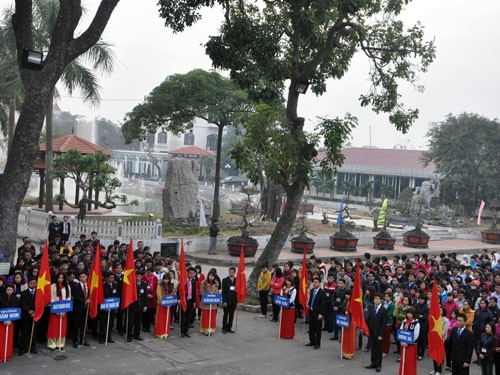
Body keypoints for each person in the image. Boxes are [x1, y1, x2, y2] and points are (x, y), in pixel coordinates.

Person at [47, 273, 71, 351]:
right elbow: (51, 298)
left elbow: (68, 298)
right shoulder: (52, 286)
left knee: (62, 327)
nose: (60, 279)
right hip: (55, 310)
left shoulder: (67, 286)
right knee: (53, 327)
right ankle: (52, 344)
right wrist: (56, 310)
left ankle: (60, 343)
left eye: (62, 278)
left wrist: (64, 310)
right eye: (59, 277)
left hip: (64, 309)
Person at [366, 293, 388, 373]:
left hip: (379, 333)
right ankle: (373, 363)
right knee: (373, 349)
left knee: (379, 350)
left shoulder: (383, 310)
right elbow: (369, 318)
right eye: (375, 298)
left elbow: (383, 324)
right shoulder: (371, 307)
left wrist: (381, 335)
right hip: (372, 331)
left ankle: (378, 365)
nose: (375, 300)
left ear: (381, 300)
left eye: (377, 299)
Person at [398, 306, 420, 375]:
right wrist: (401, 341)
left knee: (409, 361)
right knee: (403, 360)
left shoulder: (416, 323)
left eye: (411, 313)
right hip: (403, 344)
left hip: (411, 346)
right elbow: (401, 331)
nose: (409, 315)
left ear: (414, 314)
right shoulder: (404, 321)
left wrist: (408, 343)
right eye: (408, 313)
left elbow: (416, 335)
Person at [19, 277, 38, 356]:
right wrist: (29, 311)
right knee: (24, 332)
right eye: (31, 283)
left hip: (35, 315)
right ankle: (23, 348)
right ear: (28, 284)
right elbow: (23, 303)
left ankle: (33, 347)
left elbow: (39, 303)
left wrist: (36, 311)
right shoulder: (24, 293)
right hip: (26, 315)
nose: (33, 285)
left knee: (33, 332)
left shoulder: (38, 293)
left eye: (34, 283)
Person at [70, 272, 90, 348]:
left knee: (84, 324)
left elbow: (90, 294)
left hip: (86, 308)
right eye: (81, 277)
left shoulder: (88, 286)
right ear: (79, 278)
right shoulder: (76, 286)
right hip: (78, 308)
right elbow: (77, 297)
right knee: (76, 325)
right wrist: (85, 301)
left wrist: (89, 299)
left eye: (84, 276)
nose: (83, 278)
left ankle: (83, 339)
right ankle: (75, 340)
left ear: (86, 277)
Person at [306, 277, 326, 349]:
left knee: (318, 329)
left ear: (320, 283)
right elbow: (311, 299)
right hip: (311, 311)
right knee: (311, 328)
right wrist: (308, 304)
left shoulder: (322, 293)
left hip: (318, 313)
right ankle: (312, 341)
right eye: (313, 282)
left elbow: (323, 304)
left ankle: (317, 343)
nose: (314, 283)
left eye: (316, 282)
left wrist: (321, 314)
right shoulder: (312, 290)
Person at [0, 284, 19, 361]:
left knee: (9, 339)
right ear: (5, 290)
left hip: (11, 322)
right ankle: (1, 355)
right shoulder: (0, 297)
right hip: (2, 322)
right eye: (8, 290)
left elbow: (16, 311)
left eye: (11, 290)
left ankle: (8, 354)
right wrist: (3, 320)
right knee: (1, 339)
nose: (9, 292)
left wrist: (11, 320)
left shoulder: (15, 298)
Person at [128, 271, 148, 342]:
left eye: (139, 276)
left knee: (138, 322)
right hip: (133, 306)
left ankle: (137, 334)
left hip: (140, 305)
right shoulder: (132, 284)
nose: (138, 278)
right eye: (137, 276)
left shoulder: (144, 284)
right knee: (131, 322)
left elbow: (145, 296)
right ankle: (129, 335)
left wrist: (145, 305)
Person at [99, 271, 118, 344]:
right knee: (103, 323)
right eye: (110, 277)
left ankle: (109, 336)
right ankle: (101, 337)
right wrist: (106, 307)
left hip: (112, 307)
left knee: (110, 323)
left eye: (113, 277)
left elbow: (116, 296)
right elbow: (102, 297)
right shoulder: (103, 285)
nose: (112, 279)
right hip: (104, 307)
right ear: (107, 278)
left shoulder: (115, 285)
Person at [200, 270, 219, 335]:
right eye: (210, 276)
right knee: (205, 316)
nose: (211, 277)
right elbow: (201, 291)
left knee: (212, 317)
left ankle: (210, 329)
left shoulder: (216, 283)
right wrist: (206, 295)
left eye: (213, 276)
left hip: (213, 302)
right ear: (208, 276)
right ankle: (205, 329)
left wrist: (214, 293)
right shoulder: (204, 282)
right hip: (206, 302)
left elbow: (217, 291)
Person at [155, 273, 173, 340]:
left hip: (168, 305)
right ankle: (159, 332)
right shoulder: (159, 285)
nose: (166, 280)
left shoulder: (170, 285)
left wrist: (169, 301)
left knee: (166, 318)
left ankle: (166, 331)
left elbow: (171, 294)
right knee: (160, 319)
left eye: (168, 279)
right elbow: (158, 295)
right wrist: (163, 301)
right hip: (161, 304)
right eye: (165, 279)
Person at [340, 289, 357, 359]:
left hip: (351, 321)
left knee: (351, 337)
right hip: (345, 321)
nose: (346, 296)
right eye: (346, 294)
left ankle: (351, 352)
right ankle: (346, 351)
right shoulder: (345, 301)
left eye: (348, 295)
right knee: (345, 337)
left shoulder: (353, 302)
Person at [180, 267, 197, 338]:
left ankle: (186, 331)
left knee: (188, 317)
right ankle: (182, 331)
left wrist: (194, 301)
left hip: (190, 301)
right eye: (190, 273)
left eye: (193, 273)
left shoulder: (193, 281)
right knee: (183, 316)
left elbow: (194, 292)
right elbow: (180, 290)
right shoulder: (183, 281)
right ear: (187, 273)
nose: (191, 275)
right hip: (184, 301)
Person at [221, 267, 238, 334]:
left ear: (234, 272)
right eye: (230, 272)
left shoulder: (236, 280)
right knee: (226, 315)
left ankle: (229, 327)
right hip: (227, 301)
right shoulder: (225, 280)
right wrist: (224, 301)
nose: (231, 273)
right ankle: (224, 328)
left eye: (232, 272)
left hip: (233, 301)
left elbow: (237, 292)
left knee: (231, 315)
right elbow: (223, 292)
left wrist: (237, 301)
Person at [382, 291, 395, 357]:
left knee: (387, 338)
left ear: (390, 297)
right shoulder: (382, 303)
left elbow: (389, 314)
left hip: (388, 323)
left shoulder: (392, 305)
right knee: (382, 337)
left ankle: (386, 351)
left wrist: (382, 315)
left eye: (388, 297)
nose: (386, 298)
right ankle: (382, 349)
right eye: (385, 297)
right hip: (382, 322)